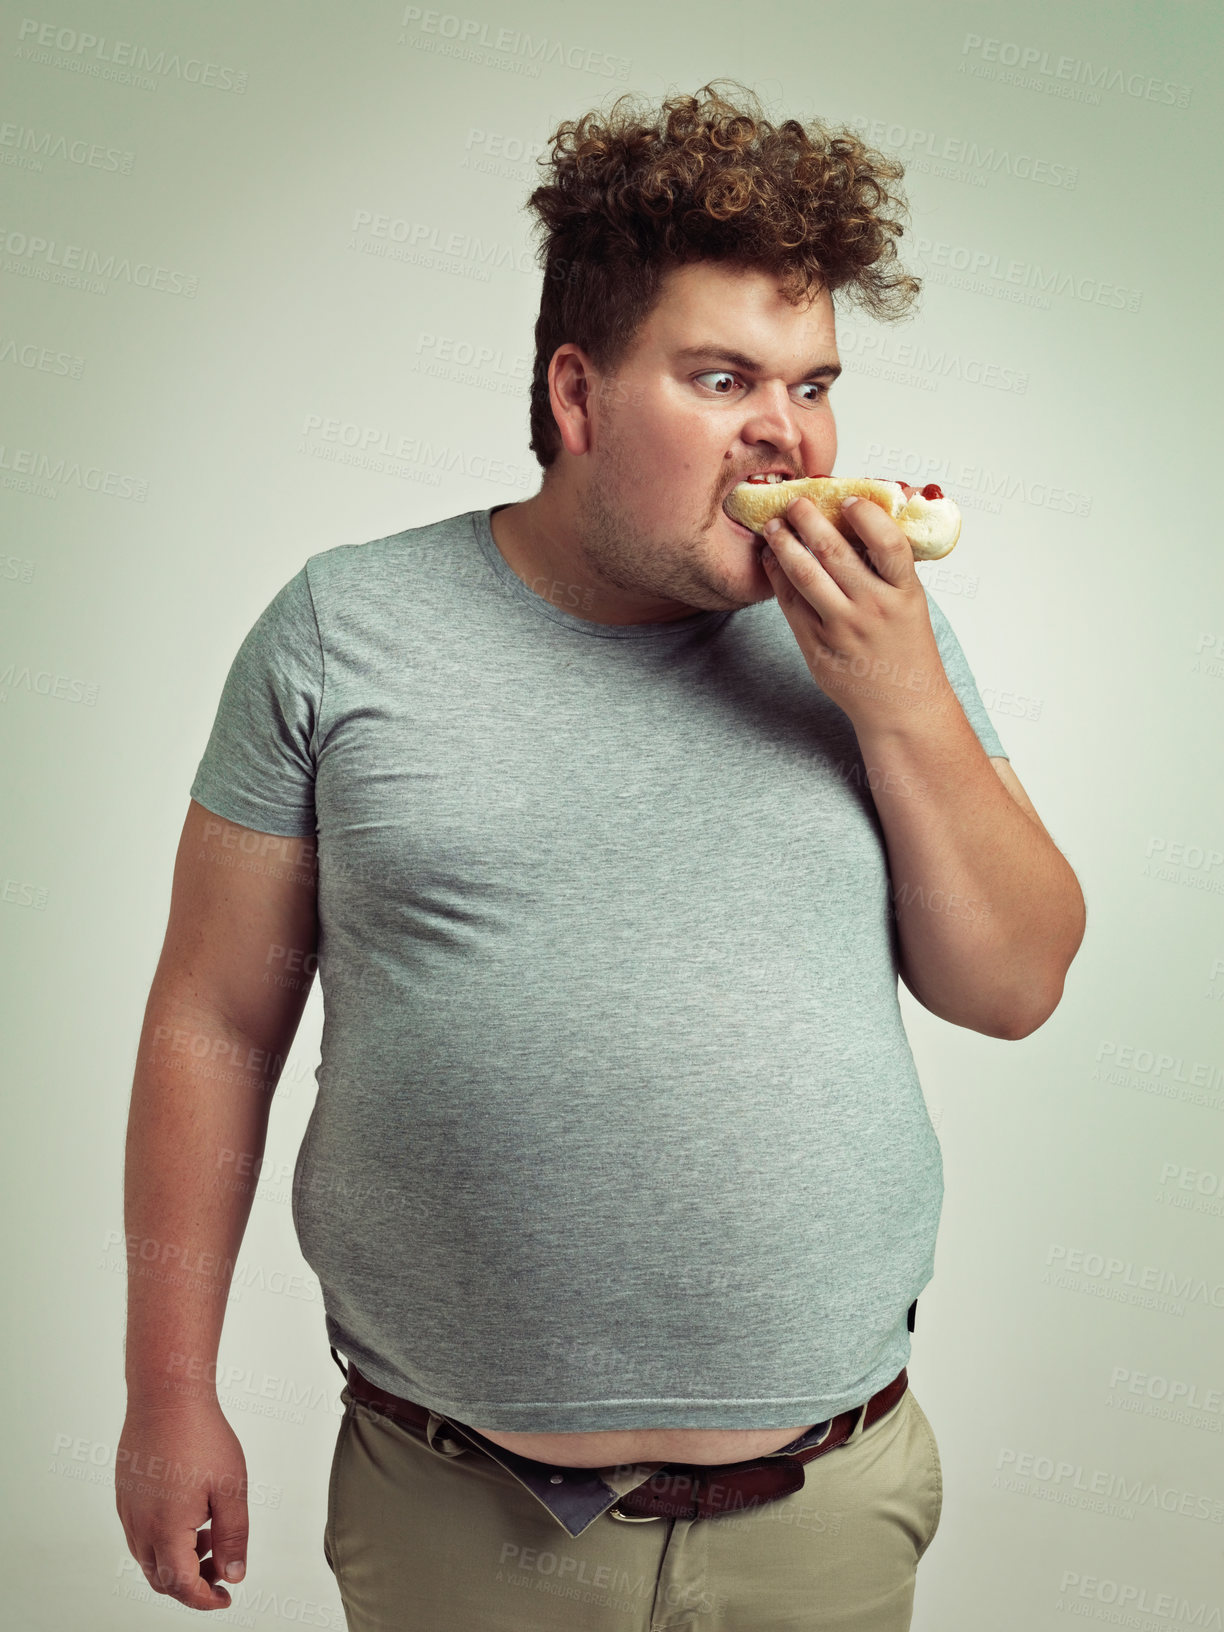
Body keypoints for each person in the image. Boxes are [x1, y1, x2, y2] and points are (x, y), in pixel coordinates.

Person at [116, 80, 1085, 1630]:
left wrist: (898, 701)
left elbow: (1018, 984)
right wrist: (171, 1395)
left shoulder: (880, 637)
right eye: (722, 378)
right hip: (458, 1513)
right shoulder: (342, 628)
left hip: (824, 1508)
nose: (791, 434)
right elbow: (213, 1024)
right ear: (577, 396)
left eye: (815, 381)